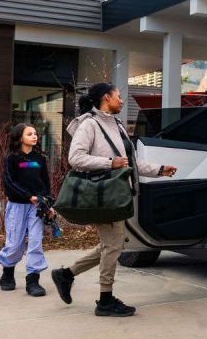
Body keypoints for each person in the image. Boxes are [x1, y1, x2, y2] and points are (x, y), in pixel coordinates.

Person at [51, 83, 177, 317]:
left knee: (111, 244)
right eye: (119, 96)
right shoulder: (90, 124)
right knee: (113, 245)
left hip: (118, 195)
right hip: (104, 195)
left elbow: (129, 162)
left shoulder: (116, 124)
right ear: (106, 98)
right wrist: (109, 162)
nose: (121, 101)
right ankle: (105, 300)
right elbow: (75, 158)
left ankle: (66, 274)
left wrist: (159, 170)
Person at [0, 123, 53, 297]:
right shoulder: (11, 158)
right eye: (30, 134)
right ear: (20, 137)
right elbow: (9, 183)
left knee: (36, 241)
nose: (34, 136)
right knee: (15, 243)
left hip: (37, 206)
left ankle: (33, 280)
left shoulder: (40, 158)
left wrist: (48, 202)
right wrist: (28, 195)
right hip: (17, 205)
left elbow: (45, 183)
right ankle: (7, 272)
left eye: (35, 133)